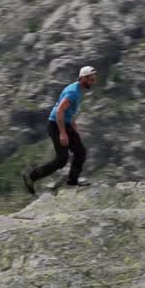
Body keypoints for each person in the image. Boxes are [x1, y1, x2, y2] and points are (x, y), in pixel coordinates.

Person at [22, 65, 98, 195]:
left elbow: (68, 111)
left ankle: (72, 181)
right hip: (56, 125)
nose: (93, 82)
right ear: (83, 78)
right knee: (62, 159)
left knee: (80, 152)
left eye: (94, 79)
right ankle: (31, 176)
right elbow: (60, 111)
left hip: (65, 123)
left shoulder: (77, 89)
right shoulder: (73, 92)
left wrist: (73, 126)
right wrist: (63, 133)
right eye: (91, 79)